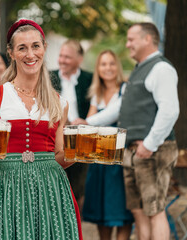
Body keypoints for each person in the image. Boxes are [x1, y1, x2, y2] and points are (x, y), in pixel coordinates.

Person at [0, 19, 80, 239]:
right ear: (11, 53)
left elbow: (59, 157)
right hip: (8, 190)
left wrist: (80, 151)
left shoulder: (59, 102)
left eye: (35, 46)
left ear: (44, 49)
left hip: (51, 191)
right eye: (22, 48)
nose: (30, 54)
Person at [119, 22, 179, 240]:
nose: (127, 45)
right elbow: (120, 108)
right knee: (139, 212)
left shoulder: (161, 68)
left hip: (153, 150)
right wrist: (87, 121)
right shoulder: (138, 71)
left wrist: (149, 144)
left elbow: (170, 111)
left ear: (147, 39)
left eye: (131, 39)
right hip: (133, 151)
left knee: (155, 210)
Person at [73, 50, 134, 240]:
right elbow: (91, 121)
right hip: (99, 159)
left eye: (111, 64)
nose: (108, 68)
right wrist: (86, 122)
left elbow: (111, 115)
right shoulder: (96, 94)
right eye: (103, 64)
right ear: (98, 68)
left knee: (122, 211)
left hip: (120, 159)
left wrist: (85, 122)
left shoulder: (126, 89)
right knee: (101, 212)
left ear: (117, 66)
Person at [50, 39, 93, 212]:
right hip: (54, 138)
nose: (62, 60)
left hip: (80, 138)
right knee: (54, 184)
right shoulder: (48, 76)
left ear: (79, 59)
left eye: (67, 57)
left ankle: (73, 222)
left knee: (76, 186)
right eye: (61, 56)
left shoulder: (89, 79)